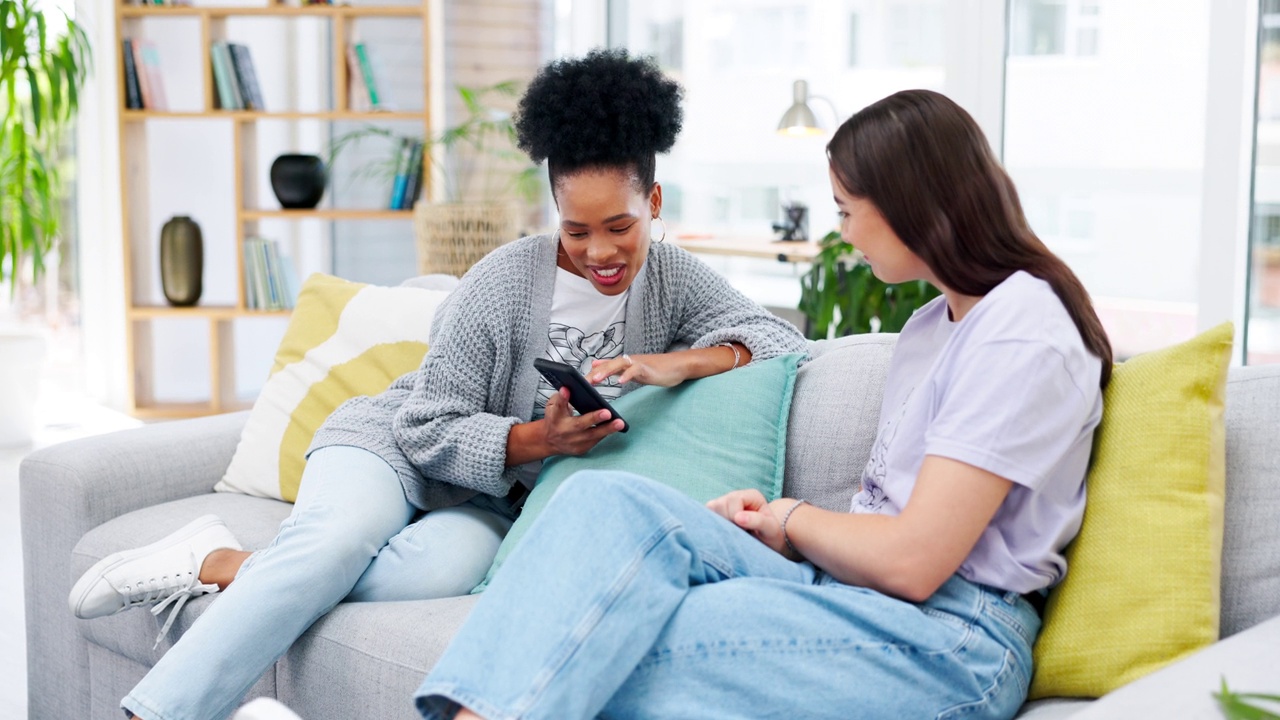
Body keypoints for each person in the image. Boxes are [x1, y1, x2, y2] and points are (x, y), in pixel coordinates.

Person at [66, 48, 808, 720]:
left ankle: (220, 563)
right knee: (336, 544)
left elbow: (781, 341)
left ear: (652, 203)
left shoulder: (674, 279)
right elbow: (424, 423)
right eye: (576, 231)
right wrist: (535, 439)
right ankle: (159, 710)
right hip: (388, 447)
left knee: (429, 576)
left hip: (493, 503)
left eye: (618, 226)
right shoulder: (502, 281)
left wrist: (675, 364)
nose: (600, 251)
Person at [412, 88, 1114, 720]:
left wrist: (792, 517)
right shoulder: (935, 327)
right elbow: (890, 528)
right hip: (864, 599)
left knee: (616, 639)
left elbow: (916, 561)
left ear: (912, 207)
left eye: (847, 211)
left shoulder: (1021, 331)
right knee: (604, 504)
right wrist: (782, 531)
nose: (843, 234)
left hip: (948, 639)